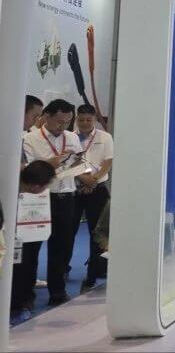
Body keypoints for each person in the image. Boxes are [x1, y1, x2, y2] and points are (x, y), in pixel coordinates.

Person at [22, 99, 81, 307]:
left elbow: (78, 161)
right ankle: (26, 295)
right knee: (31, 248)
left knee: (61, 247)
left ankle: (57, 292)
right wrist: (51, 163)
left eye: (68, 122)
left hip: (67, 197)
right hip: (39, 199)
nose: (63, 126)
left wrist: (79, 165)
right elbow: (28, 170)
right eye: (59, 121)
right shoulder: (30, 138)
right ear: (46, 116)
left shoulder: (72, 137)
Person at [11, 160, 58, 322]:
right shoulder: (10, 188)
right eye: (47, 185)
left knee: (30, 262)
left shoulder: (36, 191)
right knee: (17, 267)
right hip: (12, 235)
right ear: (35, 187)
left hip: (32, 232)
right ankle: (15, 305)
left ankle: (26, 299)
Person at [72, 104, 112, 291]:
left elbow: (108, 161)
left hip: (98, 189)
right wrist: (83, 179)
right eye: (81, 119)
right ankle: (62, 269)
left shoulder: (105, 137)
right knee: (67, 231)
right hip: (74, 188)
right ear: (76, 119)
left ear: (95, 119)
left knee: (97, 231)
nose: (85, 123)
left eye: (89, 119)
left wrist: (93, 181)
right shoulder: (70, 137)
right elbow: (69, 163)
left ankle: (93, 274)